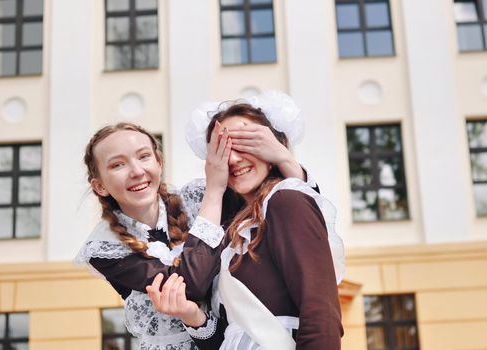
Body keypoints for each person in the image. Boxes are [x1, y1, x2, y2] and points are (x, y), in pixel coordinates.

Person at [75, 119, 312, 349]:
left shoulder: (197, 197)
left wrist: (282, 156)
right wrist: (214, 192)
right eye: (118, 165)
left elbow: (276, 200)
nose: (137, 171)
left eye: (144, 156)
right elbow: (191, 285)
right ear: (100, 186)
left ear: (159, 162)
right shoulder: (105, 248)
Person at [146, 92, 345, 350]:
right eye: (222, 150)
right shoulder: (232, 232)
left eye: (245, 144)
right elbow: (231, 336)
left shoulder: (286, 201)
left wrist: (284, 158)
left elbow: (321, 313)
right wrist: (191, 316)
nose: (234, 159)